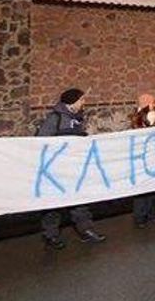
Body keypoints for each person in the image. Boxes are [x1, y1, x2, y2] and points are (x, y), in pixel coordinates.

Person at [37, 88, 106, 249]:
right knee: (54, 204)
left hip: (74, 167)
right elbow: (41, 141)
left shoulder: (77, 119)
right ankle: (50, 236)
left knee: (79, 200)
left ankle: (86, 230)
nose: (83, 103)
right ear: (72, 101)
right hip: (56, 169)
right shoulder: (55, 118)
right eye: (81, 100)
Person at [130, 94, 155, 227]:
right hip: (141, 156)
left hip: (152, 155)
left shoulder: (154, 113)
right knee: (142, 189)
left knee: (153, 187)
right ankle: (140, 216)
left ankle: (151, 213)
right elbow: (140, 127)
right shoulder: (137, 116)